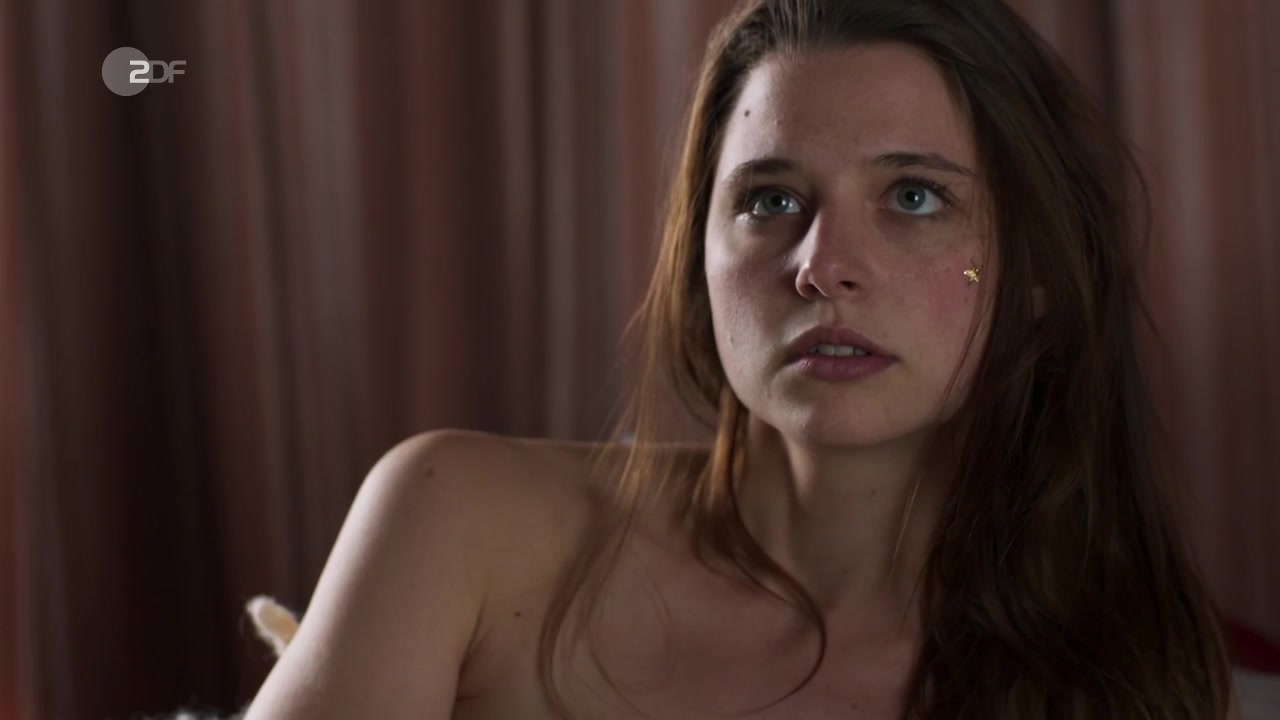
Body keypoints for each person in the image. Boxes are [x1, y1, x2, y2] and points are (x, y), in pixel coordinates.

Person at [243, 0, 1241, 718]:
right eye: (771, 200)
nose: (822, 267)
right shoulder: (456, 522)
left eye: (913, 197)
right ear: (698, 260)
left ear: (1036, 270)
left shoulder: (1125, 668)